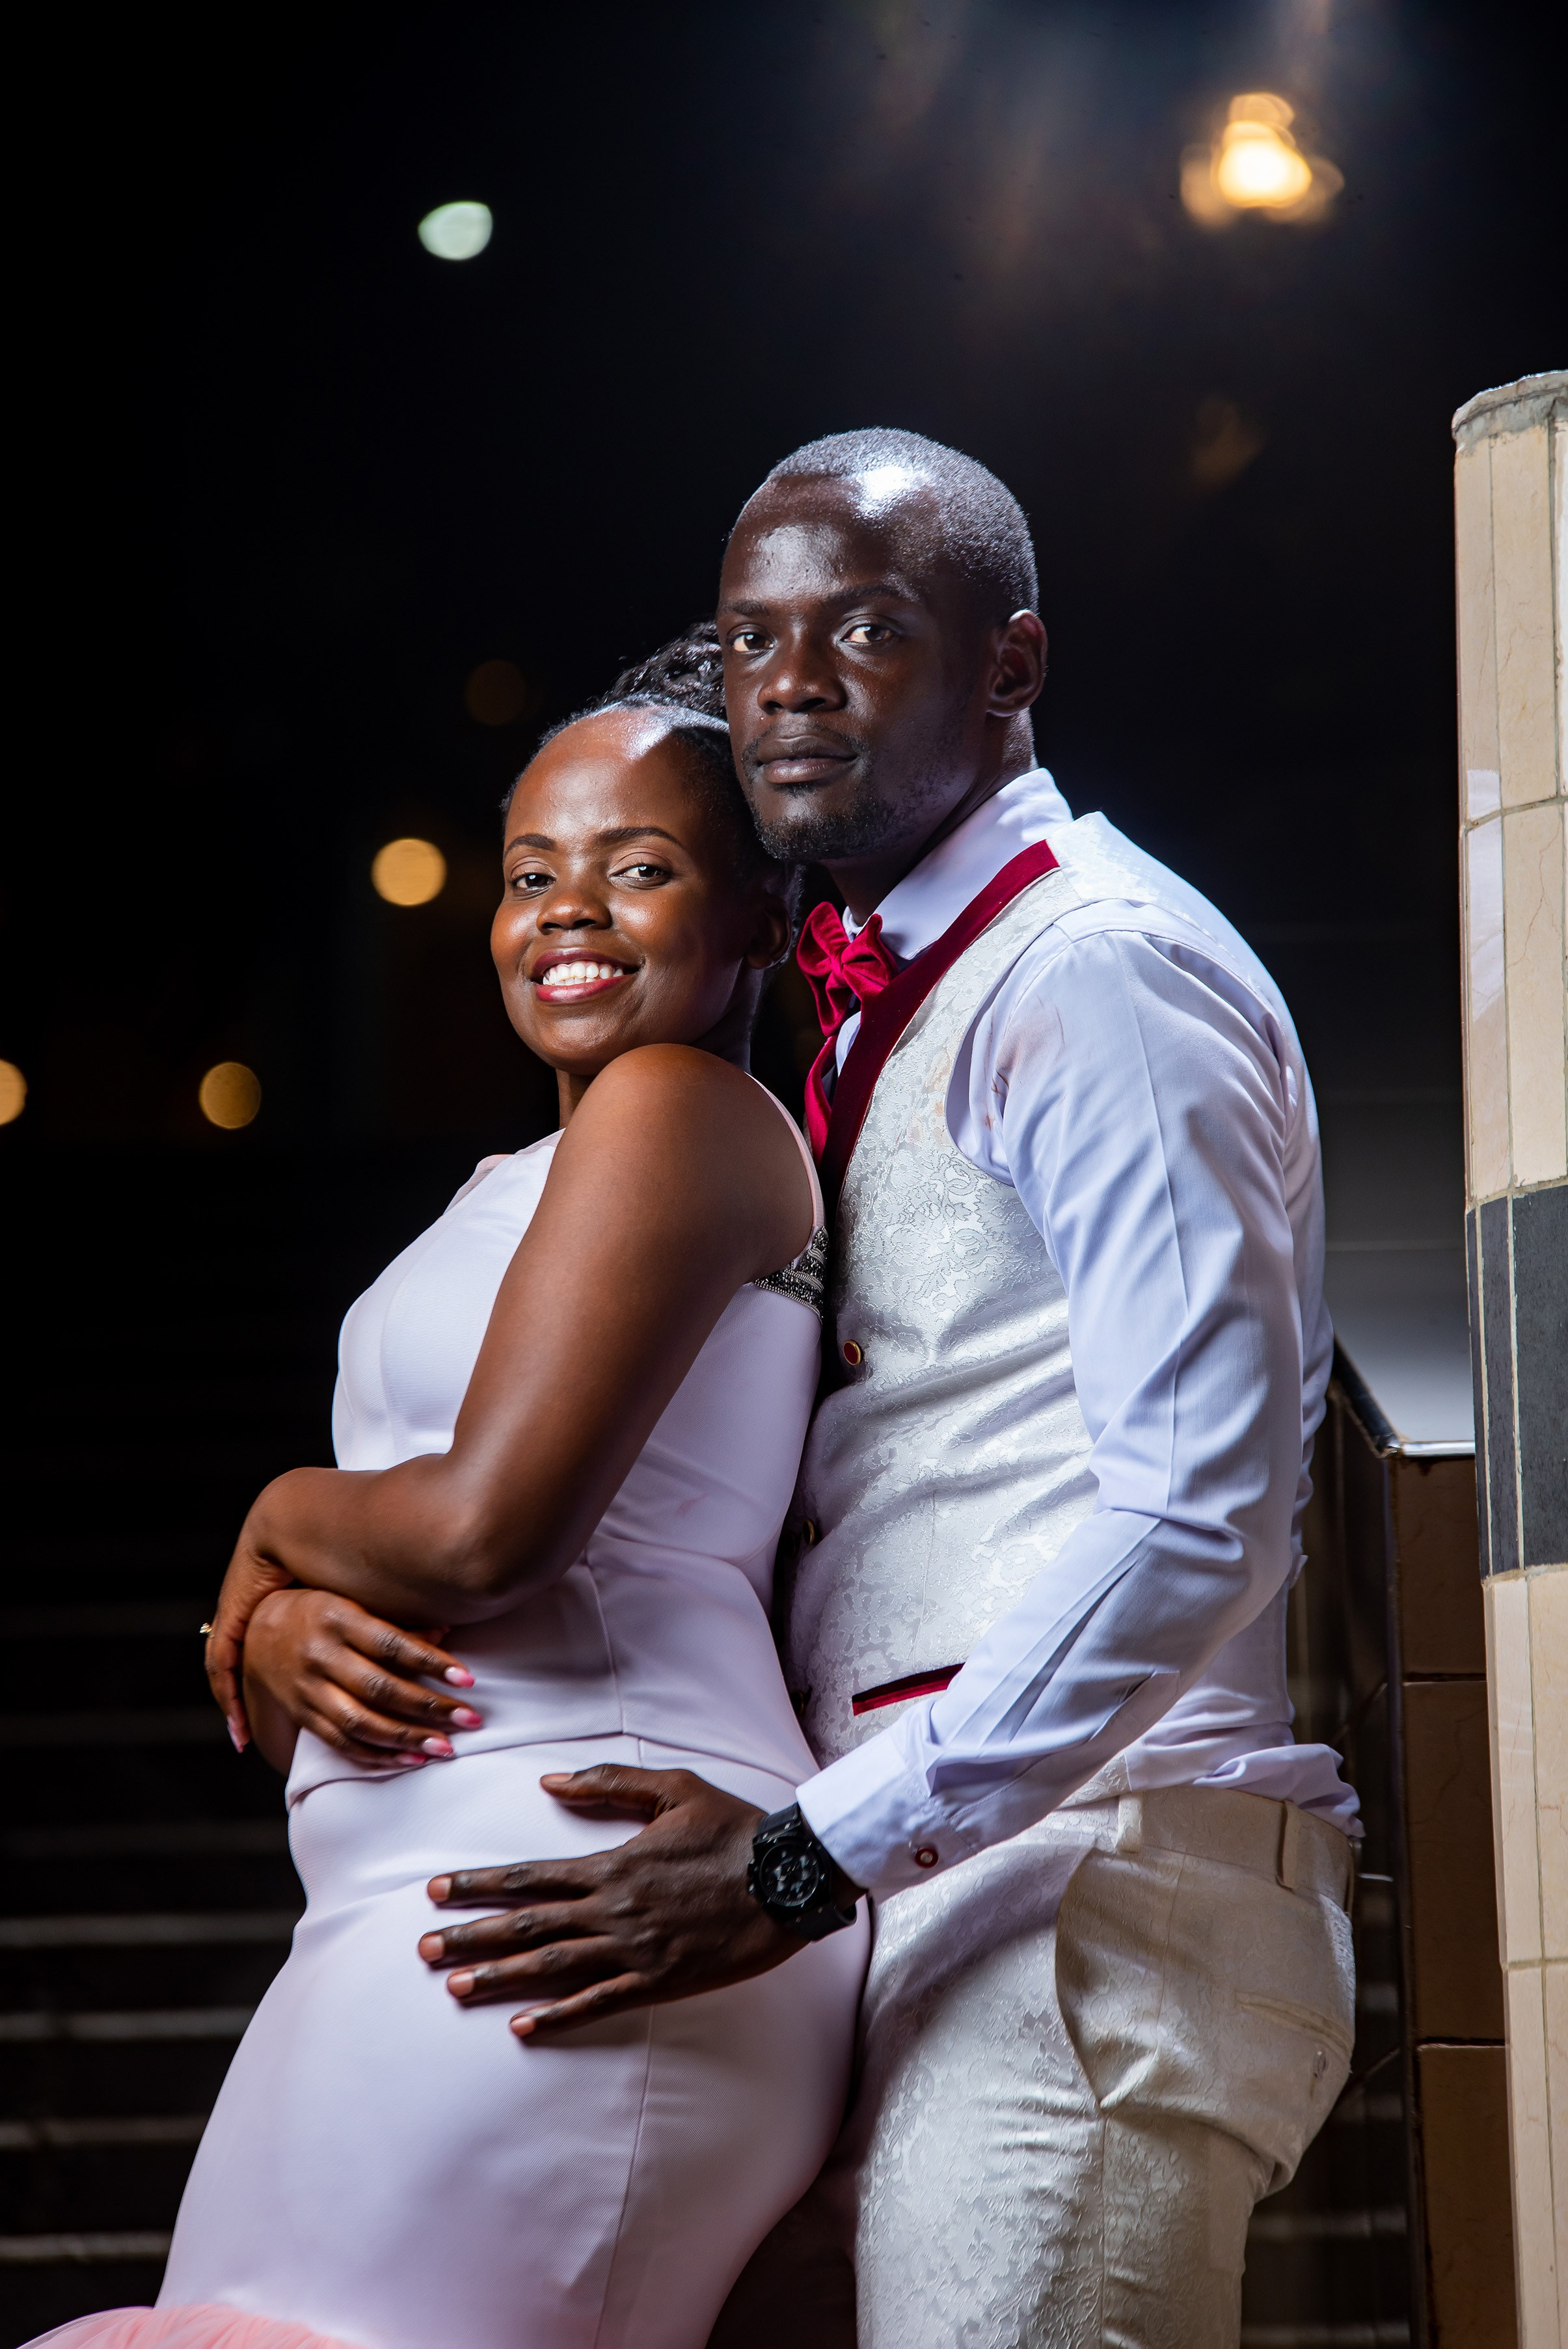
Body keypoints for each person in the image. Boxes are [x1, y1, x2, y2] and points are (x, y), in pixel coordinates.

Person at [202, 429, 1362, 2349]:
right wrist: (290, 1618)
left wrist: (799, 1853)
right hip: (902, 1871)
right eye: (753, 638)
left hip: (1088, 1872)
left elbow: (1197, 1511)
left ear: (1010, 662)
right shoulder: (874, 1013)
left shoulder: (1098, 972)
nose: (792, 686)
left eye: (866, 630)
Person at [37, 645, 869, 2349]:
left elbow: (490, 1533)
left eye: (639, 865)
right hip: (420, 1902)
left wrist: (276, 1521)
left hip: (566, 1905)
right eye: (531, 872)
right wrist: (276, 1629)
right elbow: (424, 1564)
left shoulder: (677, 1107)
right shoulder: (543, 1171)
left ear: (761, 919)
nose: (568, 913)